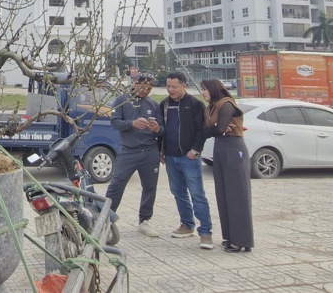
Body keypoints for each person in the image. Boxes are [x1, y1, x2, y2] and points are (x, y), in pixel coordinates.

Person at [105, 71, 164, 239]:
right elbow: (114, 122)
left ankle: (145, 220)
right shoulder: (122, 100)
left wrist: (157, 129)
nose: (147, 90)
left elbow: (162, 129)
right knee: (117, 184)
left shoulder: (153, 104)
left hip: (150, 150)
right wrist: (132, 124)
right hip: (129, 151)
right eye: (144, 86)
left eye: (150, 87)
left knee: (150, 187)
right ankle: (106, 217)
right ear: (134, 84)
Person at [160, 72, 214, 249]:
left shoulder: (194, 105)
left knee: (197, 194)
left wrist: (195, 150)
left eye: (174, 87)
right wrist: (161, 151)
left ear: (184, 86)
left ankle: (205, 232)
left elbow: (202, 130)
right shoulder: (165, 104)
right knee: (178, 192)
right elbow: (162, 129)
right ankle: (186, 224)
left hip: (189, 157)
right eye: (168, 86)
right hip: (170, 156)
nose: (170, 90)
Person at [200, 78, 254, 253]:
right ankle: (230, 237)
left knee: (237, 195)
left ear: (214, 89)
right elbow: (212, 129)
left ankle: (241, 240)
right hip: (220, 148)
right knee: (223, 194)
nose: (203, 93)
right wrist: (215, 128)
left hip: (233, 148)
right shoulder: (212, 108)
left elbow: (218, 129)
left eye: (205, 89)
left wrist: (216, 128)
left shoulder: (227, 104)